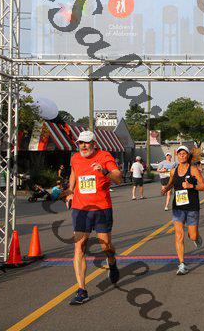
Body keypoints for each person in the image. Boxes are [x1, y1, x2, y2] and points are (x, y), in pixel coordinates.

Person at [64, 130, 123, 305]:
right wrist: (70, 191)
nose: (83, 146)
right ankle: (82, 290)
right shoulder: (75, 158)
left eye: (87, 143)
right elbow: (74, 173)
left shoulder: (104, 156)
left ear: (94, 144)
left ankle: (112, 261)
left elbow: (118, 178)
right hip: (80, 209)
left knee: (106, 246)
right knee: (79, 246)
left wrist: (104, 171)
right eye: (80, 143)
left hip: (101, 208)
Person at [161, 145, 204, 275]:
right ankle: (182, 264)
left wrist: (191, 186)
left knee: (192, 235)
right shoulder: (173, 170)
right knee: (178, 235)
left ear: (187, 156)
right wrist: (165, 189)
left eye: (184, 154)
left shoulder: (193, 169)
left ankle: (196, 237)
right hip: (178, 207)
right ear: (177, 155)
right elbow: (171, 183)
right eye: (179, 154)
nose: (182, 156)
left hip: (192, 207)